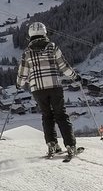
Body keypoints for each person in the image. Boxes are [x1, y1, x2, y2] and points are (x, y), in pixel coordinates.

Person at [16, 22, 80, 159]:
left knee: (47, 116)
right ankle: (70, 145)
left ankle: (52, 144)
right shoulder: (52, 47)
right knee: (61, 115)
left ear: (30, 35)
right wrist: (75, 76)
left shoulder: (27, 53)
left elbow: (23, 74)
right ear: (44, 33)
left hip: (38, 89)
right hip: (54, 86)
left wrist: (19, 84)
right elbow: (64, 66)